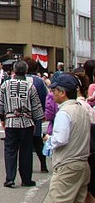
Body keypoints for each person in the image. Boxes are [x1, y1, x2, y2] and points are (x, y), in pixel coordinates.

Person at [0, 60, 44, 188]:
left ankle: (10, 178)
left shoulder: (6, 85)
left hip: (11, 121)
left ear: (14, 71)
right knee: (26, 150)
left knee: (10, 150)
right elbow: (36, 108)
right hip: (26, 122)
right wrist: (36, 121)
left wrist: (2, 118)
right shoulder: (30, 86)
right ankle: (26, 179)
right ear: (25, 71)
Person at [43, 73, 91, 203]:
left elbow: (61, 139)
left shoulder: (64, 112)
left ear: (62, 92)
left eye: (54, 90)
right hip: (82, 163)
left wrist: (49, 139)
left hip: (67, 165)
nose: (52, 93)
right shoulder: (82, 109)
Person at [23, 57, 49, 173]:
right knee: (37, 140)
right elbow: (44, 98)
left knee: (24, 142)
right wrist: (42, 112)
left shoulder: (16, 79)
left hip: (21, 115)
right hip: (36, 114)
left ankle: (25, 166)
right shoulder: (39, 81)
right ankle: (43, 165)